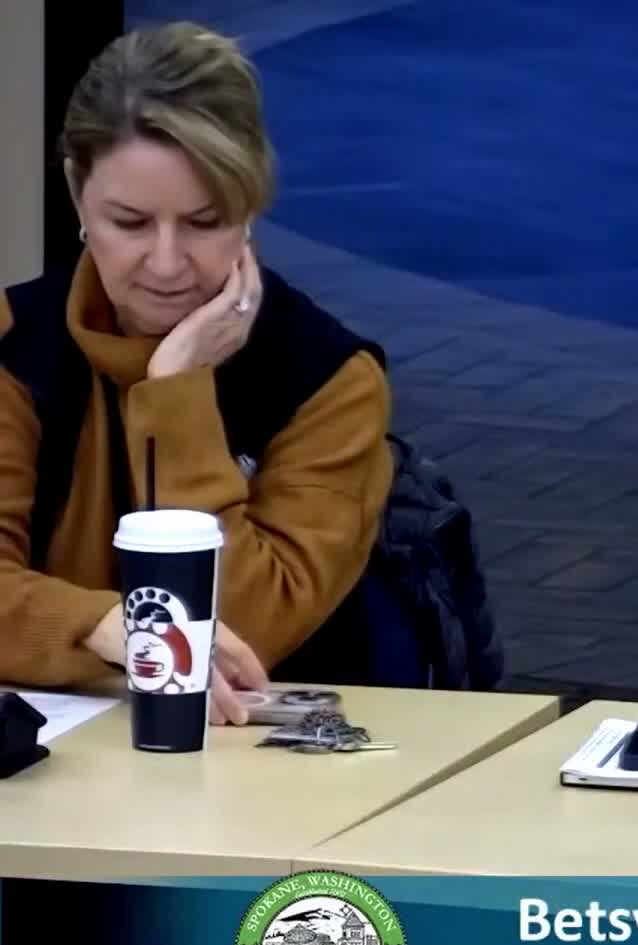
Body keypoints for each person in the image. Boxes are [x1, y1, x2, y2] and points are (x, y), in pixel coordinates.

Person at [0, 22, 395, 723]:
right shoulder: (14, 345)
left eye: (204, 222)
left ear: (250, 208)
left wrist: (177, 397)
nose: (165, 264)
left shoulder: (329, 382)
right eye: (130, 222)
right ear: (77, 195)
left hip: (262, 760)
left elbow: (249, 632)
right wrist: (103, 626)